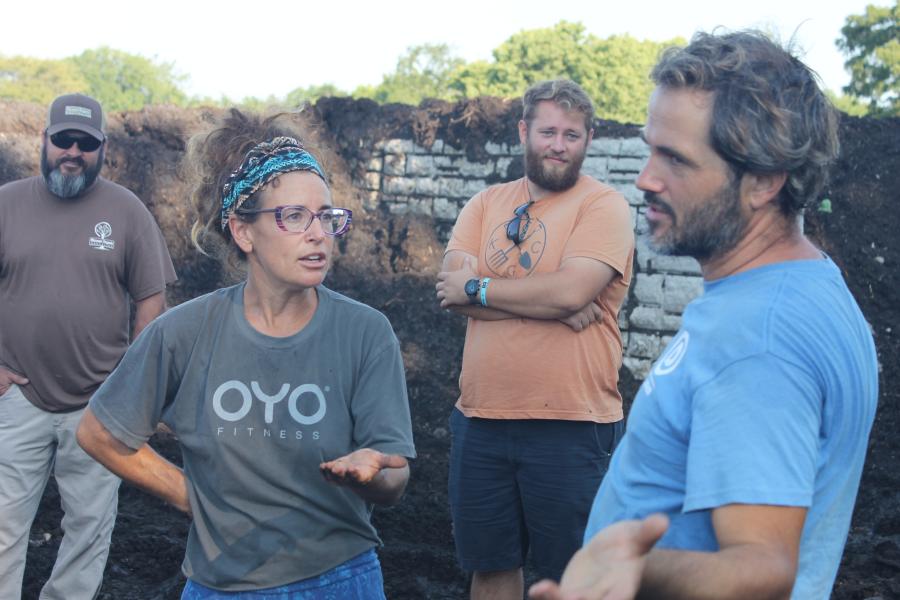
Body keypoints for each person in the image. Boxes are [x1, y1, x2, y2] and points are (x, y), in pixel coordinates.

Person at [529, 30, 879, 600]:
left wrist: (632, 571)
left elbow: (763, 567)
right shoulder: (806, 285)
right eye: (650, 149)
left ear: (764, 181)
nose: (645, 178)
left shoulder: (756, 339)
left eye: (675, 159)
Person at [76, 109, 416, 599]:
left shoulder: (365, 331)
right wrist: (192, 497)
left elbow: (396, 480)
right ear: (242, 231)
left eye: (326, 216)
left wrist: (373, 474)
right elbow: (99, 433)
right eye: (295, 217)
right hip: (221, 585)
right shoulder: (185, 332)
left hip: (339, 578)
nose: (318, 233)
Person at [435, 79, 635, 599]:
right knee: (492, 567)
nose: (558, 144)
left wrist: (485, 290)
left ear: (588, 139)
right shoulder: (485, 204)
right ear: (525, 131)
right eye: (548, 131)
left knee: (569, 579)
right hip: (482, 420)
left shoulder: (604, 207)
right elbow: (451, 294)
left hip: (571, 424)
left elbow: (569, 292)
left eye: (572, 134)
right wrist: (548, 305)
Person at [0, 93, 176, 600]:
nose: (72, 151)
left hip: (99, 406)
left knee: (89, 526)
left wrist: (133, 389)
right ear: (45, 140)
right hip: (19, 397)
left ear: (103, 149)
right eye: (63, 140)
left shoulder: (126, 212)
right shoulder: (7, 204)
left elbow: (150, 303)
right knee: (5, 524)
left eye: (86, 143)